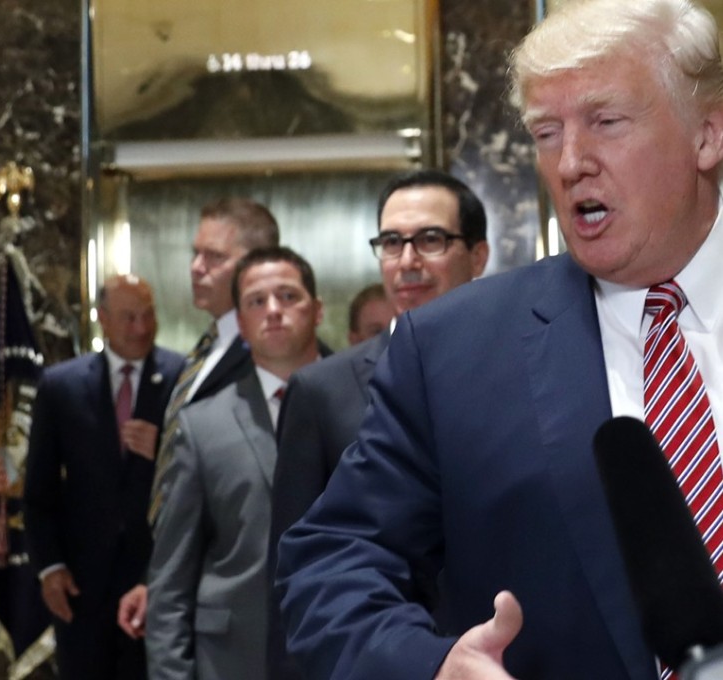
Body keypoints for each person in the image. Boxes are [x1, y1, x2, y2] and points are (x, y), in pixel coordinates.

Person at [275, 0, 723, 677]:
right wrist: (431, 666)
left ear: (707, 134)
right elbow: (330, 562)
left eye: (605, 121)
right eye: (547, 132)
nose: (571, 163)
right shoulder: (452, 350)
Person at [268, 169, 489, 680]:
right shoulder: (321, 391)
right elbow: (298, 575)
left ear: (477, 256)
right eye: (392, 243)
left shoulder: (517, 369)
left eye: (430, 240)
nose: (407, 260)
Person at [146, 246, 322, 680]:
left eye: (288, 296)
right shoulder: (202, 425)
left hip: (345, 654)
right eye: (256, 302)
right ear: (240, 324)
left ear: (317, 310)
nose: (274, 311)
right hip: (233, 661)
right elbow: (170, 579)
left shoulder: (366, 403)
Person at [118, 197, 280, 636]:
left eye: (214, 257)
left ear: (253, 265)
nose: (195, 267)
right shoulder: (205, 348)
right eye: (195, 253)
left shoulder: (266, 352)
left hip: (231, 585)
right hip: (177, 569)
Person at [24, 274, 184, 680]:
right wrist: (49, 566)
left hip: (157, 577)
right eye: (129, 317)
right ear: (103, 319)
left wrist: (165, 447)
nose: (141, 328)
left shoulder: (183, 377)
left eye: (148, 316)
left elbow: (199, 477)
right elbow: (39, 489)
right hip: (81, 584)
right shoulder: (61, 386)